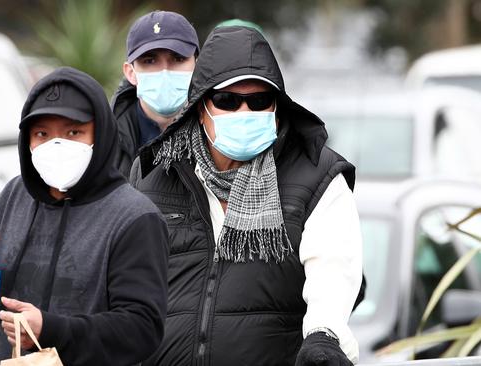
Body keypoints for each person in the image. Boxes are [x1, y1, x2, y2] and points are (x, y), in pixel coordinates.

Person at [130, 23, 365, 365]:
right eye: (227, 100)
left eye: (258, 101)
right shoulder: (154, 175)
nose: (244, 113)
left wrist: (323, 335)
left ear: (277, 107)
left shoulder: (318, 176)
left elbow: (334, 270)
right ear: (201, 108)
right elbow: (126, 291)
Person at [0, 67, 169, 366]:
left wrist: (52, 330)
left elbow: (142, 329)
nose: (57, 145)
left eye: (73, 132)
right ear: (27, 141)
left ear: (99, 135)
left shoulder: (134, 217)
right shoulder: (15, 197)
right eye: (42, 134)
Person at [112, 10, 199, 177]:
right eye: (150, 61)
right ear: (130, 72)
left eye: (178, 58)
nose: (164, 72)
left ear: (198, 66)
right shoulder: (104, 140)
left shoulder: (218, 137)